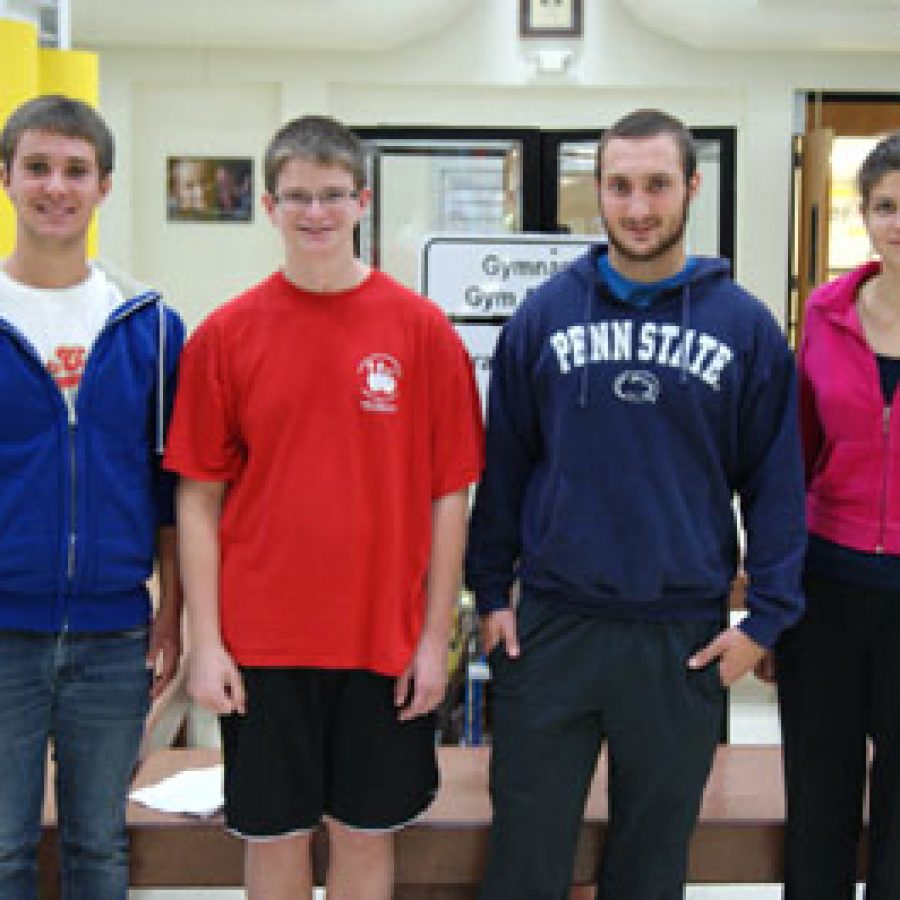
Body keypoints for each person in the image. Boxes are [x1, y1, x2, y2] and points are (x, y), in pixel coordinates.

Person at [465, 108, 807, 900]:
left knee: (652, 869)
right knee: (525, 861)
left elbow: (777, 487)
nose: (639, 206)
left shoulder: (745, 328)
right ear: (599, 194)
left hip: (680, 637)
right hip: (552, 629)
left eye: (657, 184)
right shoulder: (544, 316)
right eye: (619, 186)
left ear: (691, 187)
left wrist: (764, 622)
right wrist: (489, 592)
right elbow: (505, 468)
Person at [164, 114, 483, 900]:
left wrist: (434, 636)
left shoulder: (422, 332)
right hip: (264, 643)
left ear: (362, 200)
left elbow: (451, 496)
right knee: (273, 842)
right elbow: (197, 499)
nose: (316, 213)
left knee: (364, 840)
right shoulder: (225, 336)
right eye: (298, 197)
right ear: (269, 206)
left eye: (332, 195)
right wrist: (206, 642)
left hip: (383, 637)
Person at [0, 94, 184, 899]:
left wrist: (174, 611)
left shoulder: (149, 325)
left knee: (99, 850)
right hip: (2, 630)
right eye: (36, 167)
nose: (55, 186)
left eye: (76, 170)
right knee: (3, 852)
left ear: (105, 185)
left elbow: (173, 486)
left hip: (115, 635)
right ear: (5, 179)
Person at [773, 131, 900, 899]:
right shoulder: (825, 313)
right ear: (866, 214)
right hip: (827, 587)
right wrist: (774, 595)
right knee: (818, 798)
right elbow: (792, 461)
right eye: (886, 206)